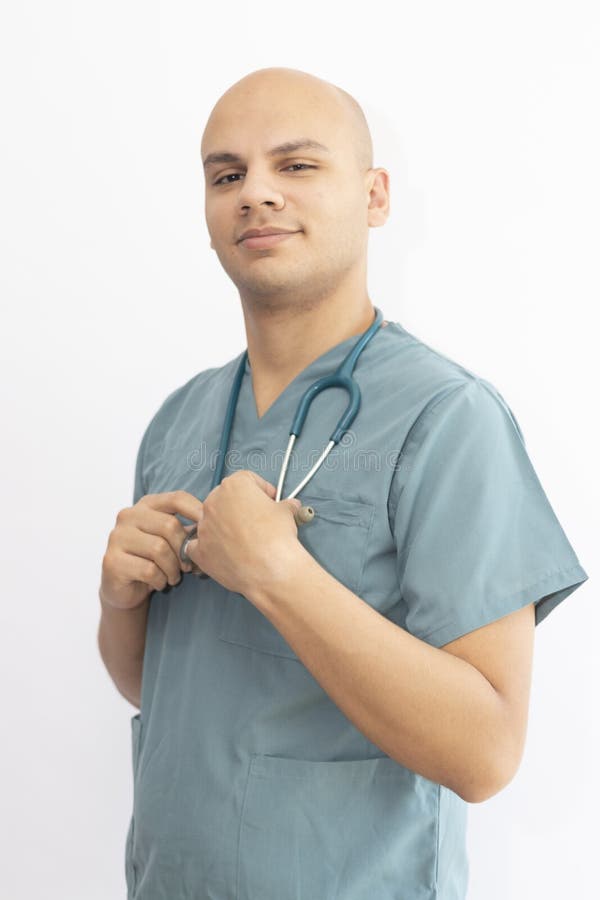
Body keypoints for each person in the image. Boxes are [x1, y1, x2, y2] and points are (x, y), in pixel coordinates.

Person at [97, 66, 589, 900]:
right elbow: (168, 684)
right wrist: (119, 601)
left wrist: (280, 574)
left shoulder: (447, 420)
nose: (256, 194)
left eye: (296, 166)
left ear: (374, 196)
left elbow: (487, 752)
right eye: (227, 175)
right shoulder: (179, 420)